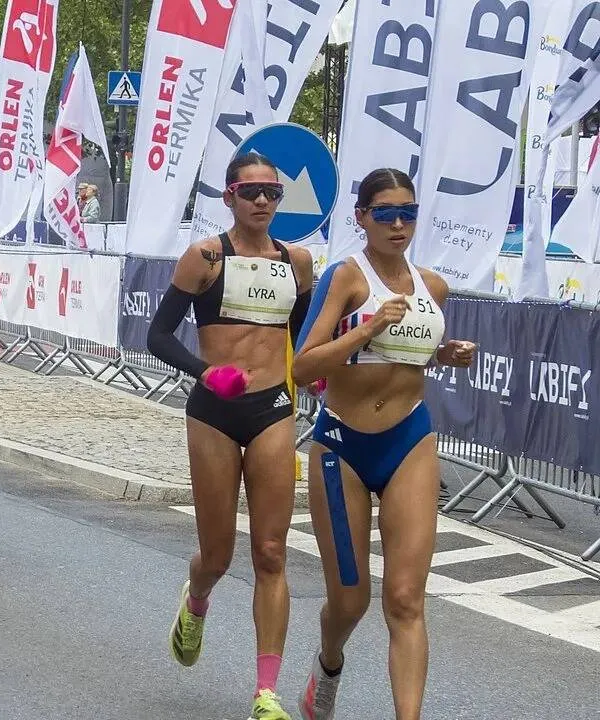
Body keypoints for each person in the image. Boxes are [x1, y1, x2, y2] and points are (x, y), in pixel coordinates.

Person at [292, 169, 476, 720]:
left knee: (405, 598)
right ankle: (328, 663)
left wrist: (446, 355)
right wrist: (366, 328)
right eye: (386, 213)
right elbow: (302, 366)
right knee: (350, 601)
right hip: (342, 446)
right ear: (362, 218)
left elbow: (408, 357)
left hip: (408, 441)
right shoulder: (346, 277)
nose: (399, 224)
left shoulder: (432, 287)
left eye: (408, 214)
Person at [146, 153, 314, 720]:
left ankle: (266, 692)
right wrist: (204, 373)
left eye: (272, 192)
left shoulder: (297, 262)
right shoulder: (206, 257)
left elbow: (303, 339)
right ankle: (196, 600)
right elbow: (157, 336)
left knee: (270, 551)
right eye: (250, 192)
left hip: (272, 409)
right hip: (214, 411)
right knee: (217, 554)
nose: (262, 201)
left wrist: (318, 375)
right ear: (230, 197)